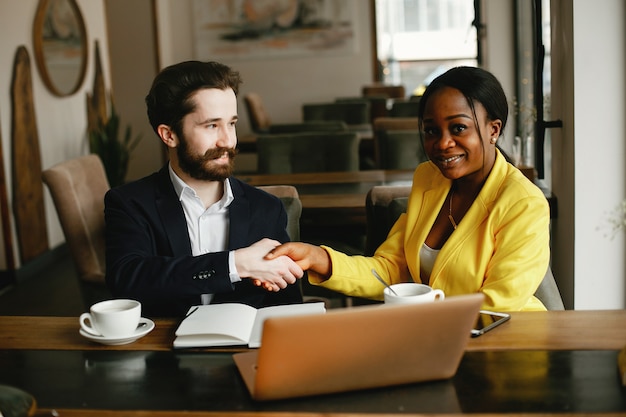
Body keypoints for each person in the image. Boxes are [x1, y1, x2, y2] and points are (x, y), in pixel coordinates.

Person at [267, 66, 550, 311]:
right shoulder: (429, 178)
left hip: (506, 344)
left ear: (494, 130)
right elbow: (391, 270)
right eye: (431, 130)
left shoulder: (524, 204)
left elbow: (497, 306)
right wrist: (320, 258)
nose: (442, 143)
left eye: (458, 128)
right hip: (438, 338)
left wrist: (415, 321)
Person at [104, 60, 303, 317]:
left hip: (246, 353)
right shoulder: (129, 203)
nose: (228, 140)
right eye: (211, 125)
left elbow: (287, 307)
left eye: (231, 123)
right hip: (164, 352)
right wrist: (235, 263)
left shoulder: (266, 208)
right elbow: (127, 280)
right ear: (169, 135)